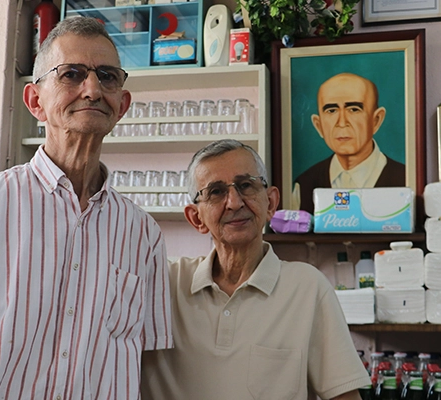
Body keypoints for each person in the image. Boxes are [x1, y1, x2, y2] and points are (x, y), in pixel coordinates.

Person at [0, 17, 172, 400]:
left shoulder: (143, 234)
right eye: (71, 74)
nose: (93, 89)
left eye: (107, 76)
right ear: (34, 101)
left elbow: (145, 371)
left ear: (122, 104)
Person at [141, 139, 370, 399]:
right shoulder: (164, 284)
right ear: (196, 218)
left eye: (246, 185)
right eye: (216, 192)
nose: (234, 202)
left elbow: (344, 396)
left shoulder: (307, 288)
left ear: (270, 203)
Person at [293, 72, 405, 214]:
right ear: (319, 125)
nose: (342, 123)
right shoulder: (304, 185)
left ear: (376, 120)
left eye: (354, 110)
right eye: (331, 111)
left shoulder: (405, 179)